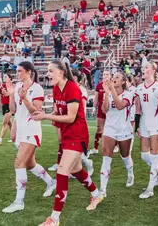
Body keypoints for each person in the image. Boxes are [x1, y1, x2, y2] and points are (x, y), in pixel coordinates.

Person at [32, 61, 103, 226]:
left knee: (62, 172)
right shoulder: (57, 88)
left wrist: (46, 117)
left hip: (78, 135)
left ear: (61, 73)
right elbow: (58, 110)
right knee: (77, 170)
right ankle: (97, 194)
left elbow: (71, 117)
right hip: (67, 135)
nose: (47, 74)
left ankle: (54, 219)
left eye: (50, 71)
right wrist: (47, 113)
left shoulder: (72, 88)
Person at [2, 62, 56, 213]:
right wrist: (12, 93)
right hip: (20, 129)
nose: (17, 73)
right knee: (30, 164)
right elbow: (13, 110)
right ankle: (51, 182)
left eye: (19, 71)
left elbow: (36, 112)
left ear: (28, 72)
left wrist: (25, 99)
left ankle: (19, 201)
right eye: (16, 71)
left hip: (31, 129)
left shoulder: (37, 88)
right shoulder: (18, 86)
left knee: (19, 162)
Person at [135, 61, 158, 199]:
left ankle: (150, 188)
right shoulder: (139, 88)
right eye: (143, 68)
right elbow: (138, 109)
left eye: (146, 68)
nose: (143, 70)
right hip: (144, 124)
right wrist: (137, 126)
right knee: (144, 155)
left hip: (156, 125)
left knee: (154, 157)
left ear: (153, 71)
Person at [99, 71, 135, 197]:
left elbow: (120, 106)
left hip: (124, 129)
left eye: (117, 77)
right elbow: (104, 109)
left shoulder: (129, 94)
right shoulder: (109, 93)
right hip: (109, 129)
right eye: (113, 77)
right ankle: (103, 189)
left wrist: (111, 91)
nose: (114, 79)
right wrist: (106, 94)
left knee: (125, 156)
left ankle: (130, 174)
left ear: (123, 82)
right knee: (106, 157)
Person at [90, 71, 112, 155]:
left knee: (112, 128)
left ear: (110, 76)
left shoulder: (112, 85)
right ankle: (95, 148)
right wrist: (93, 108)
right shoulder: (99, 86)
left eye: (107, 74)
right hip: (100, 109)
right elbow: (96, 99)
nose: (105, 76)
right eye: (104, 74)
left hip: (110, 110)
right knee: (99, 128)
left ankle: (114, 146)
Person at [0, 73, 14, 145]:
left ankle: (0, 139)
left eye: (6, 77)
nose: (4, 78)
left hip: (9, 105)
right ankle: (14, 137)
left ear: (10, 79)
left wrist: (1, 87)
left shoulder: (12, 86)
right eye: (4, 77)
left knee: (4, 123)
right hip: (4, 105)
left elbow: (6, 94)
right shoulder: (3, 85)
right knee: (9, 123)